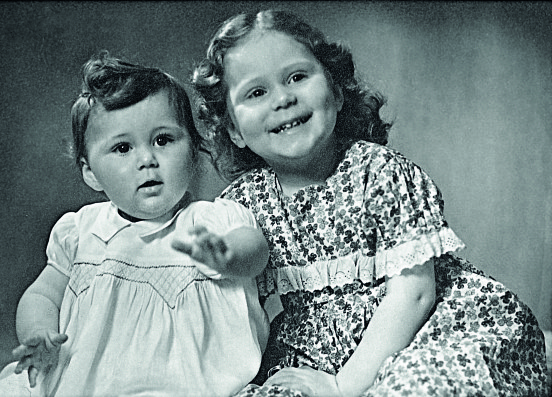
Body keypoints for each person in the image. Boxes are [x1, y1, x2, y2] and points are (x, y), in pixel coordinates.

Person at [191, 9, 550, 397]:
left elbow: (414, 295)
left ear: (338, 91)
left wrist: (344, 385)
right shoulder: (242, 205)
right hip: (313, 353)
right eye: (256, 92)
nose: (283, 98)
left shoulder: (379, 173)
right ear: (233, 129)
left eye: (297, 77)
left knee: (422, 385)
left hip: (422, 331)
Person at [0, 52, 270, 397]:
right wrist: (38, 332)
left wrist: (227, 256)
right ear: (90, 172)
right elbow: (43, 294)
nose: (147, 160)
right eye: (122, 148)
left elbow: (255, 250)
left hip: (182, 386)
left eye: (163, 140)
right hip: (80, 385)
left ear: (193, 150)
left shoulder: (209, 220)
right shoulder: (81, 230)